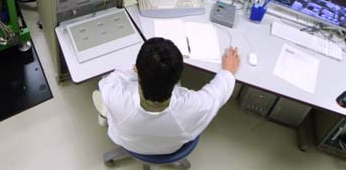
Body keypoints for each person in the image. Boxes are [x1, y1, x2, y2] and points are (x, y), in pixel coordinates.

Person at [98, 38, 240, 155]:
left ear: (137, 69)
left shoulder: (115, 97)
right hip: (169, 149)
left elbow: (108, 81)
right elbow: (217, 93)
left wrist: (136, 70)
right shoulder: (194, 108)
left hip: (127, 142)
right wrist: (227, 71)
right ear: (178, 77)